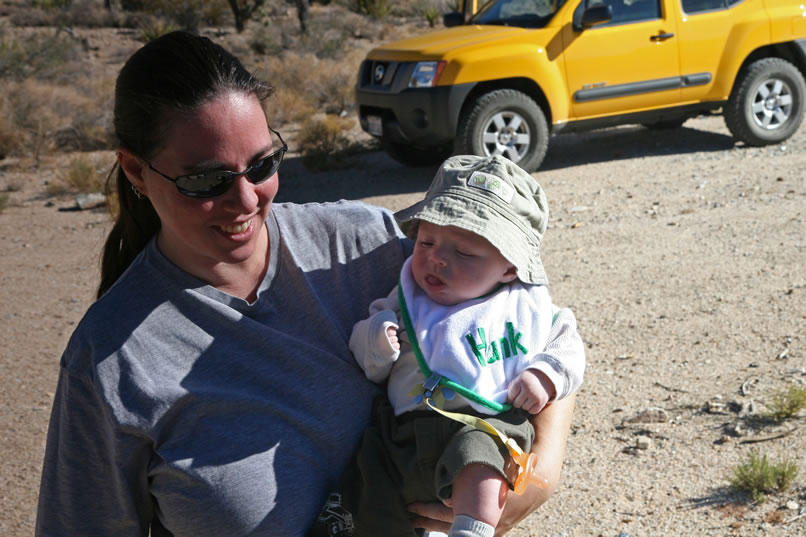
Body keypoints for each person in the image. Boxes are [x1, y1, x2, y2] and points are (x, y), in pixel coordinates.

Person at [34, 31, 576, 537]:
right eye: (207, 179)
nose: (246, 200)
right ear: (134, 171)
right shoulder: (109, 361)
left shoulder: (363, 247)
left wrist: (538, 475)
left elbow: (528, 321)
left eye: (262, 164)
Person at [310, 155, 585, 537]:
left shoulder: (526, 309)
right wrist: (377, 339)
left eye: (465, 253)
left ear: (510, 268)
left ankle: (471, 531)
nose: (436, 257)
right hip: (402, 433)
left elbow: (568, 348)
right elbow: (367, 358)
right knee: (369, 482)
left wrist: (545, 375)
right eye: (426, 241)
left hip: (485, 423)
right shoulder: (405, 298)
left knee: (483, 463)